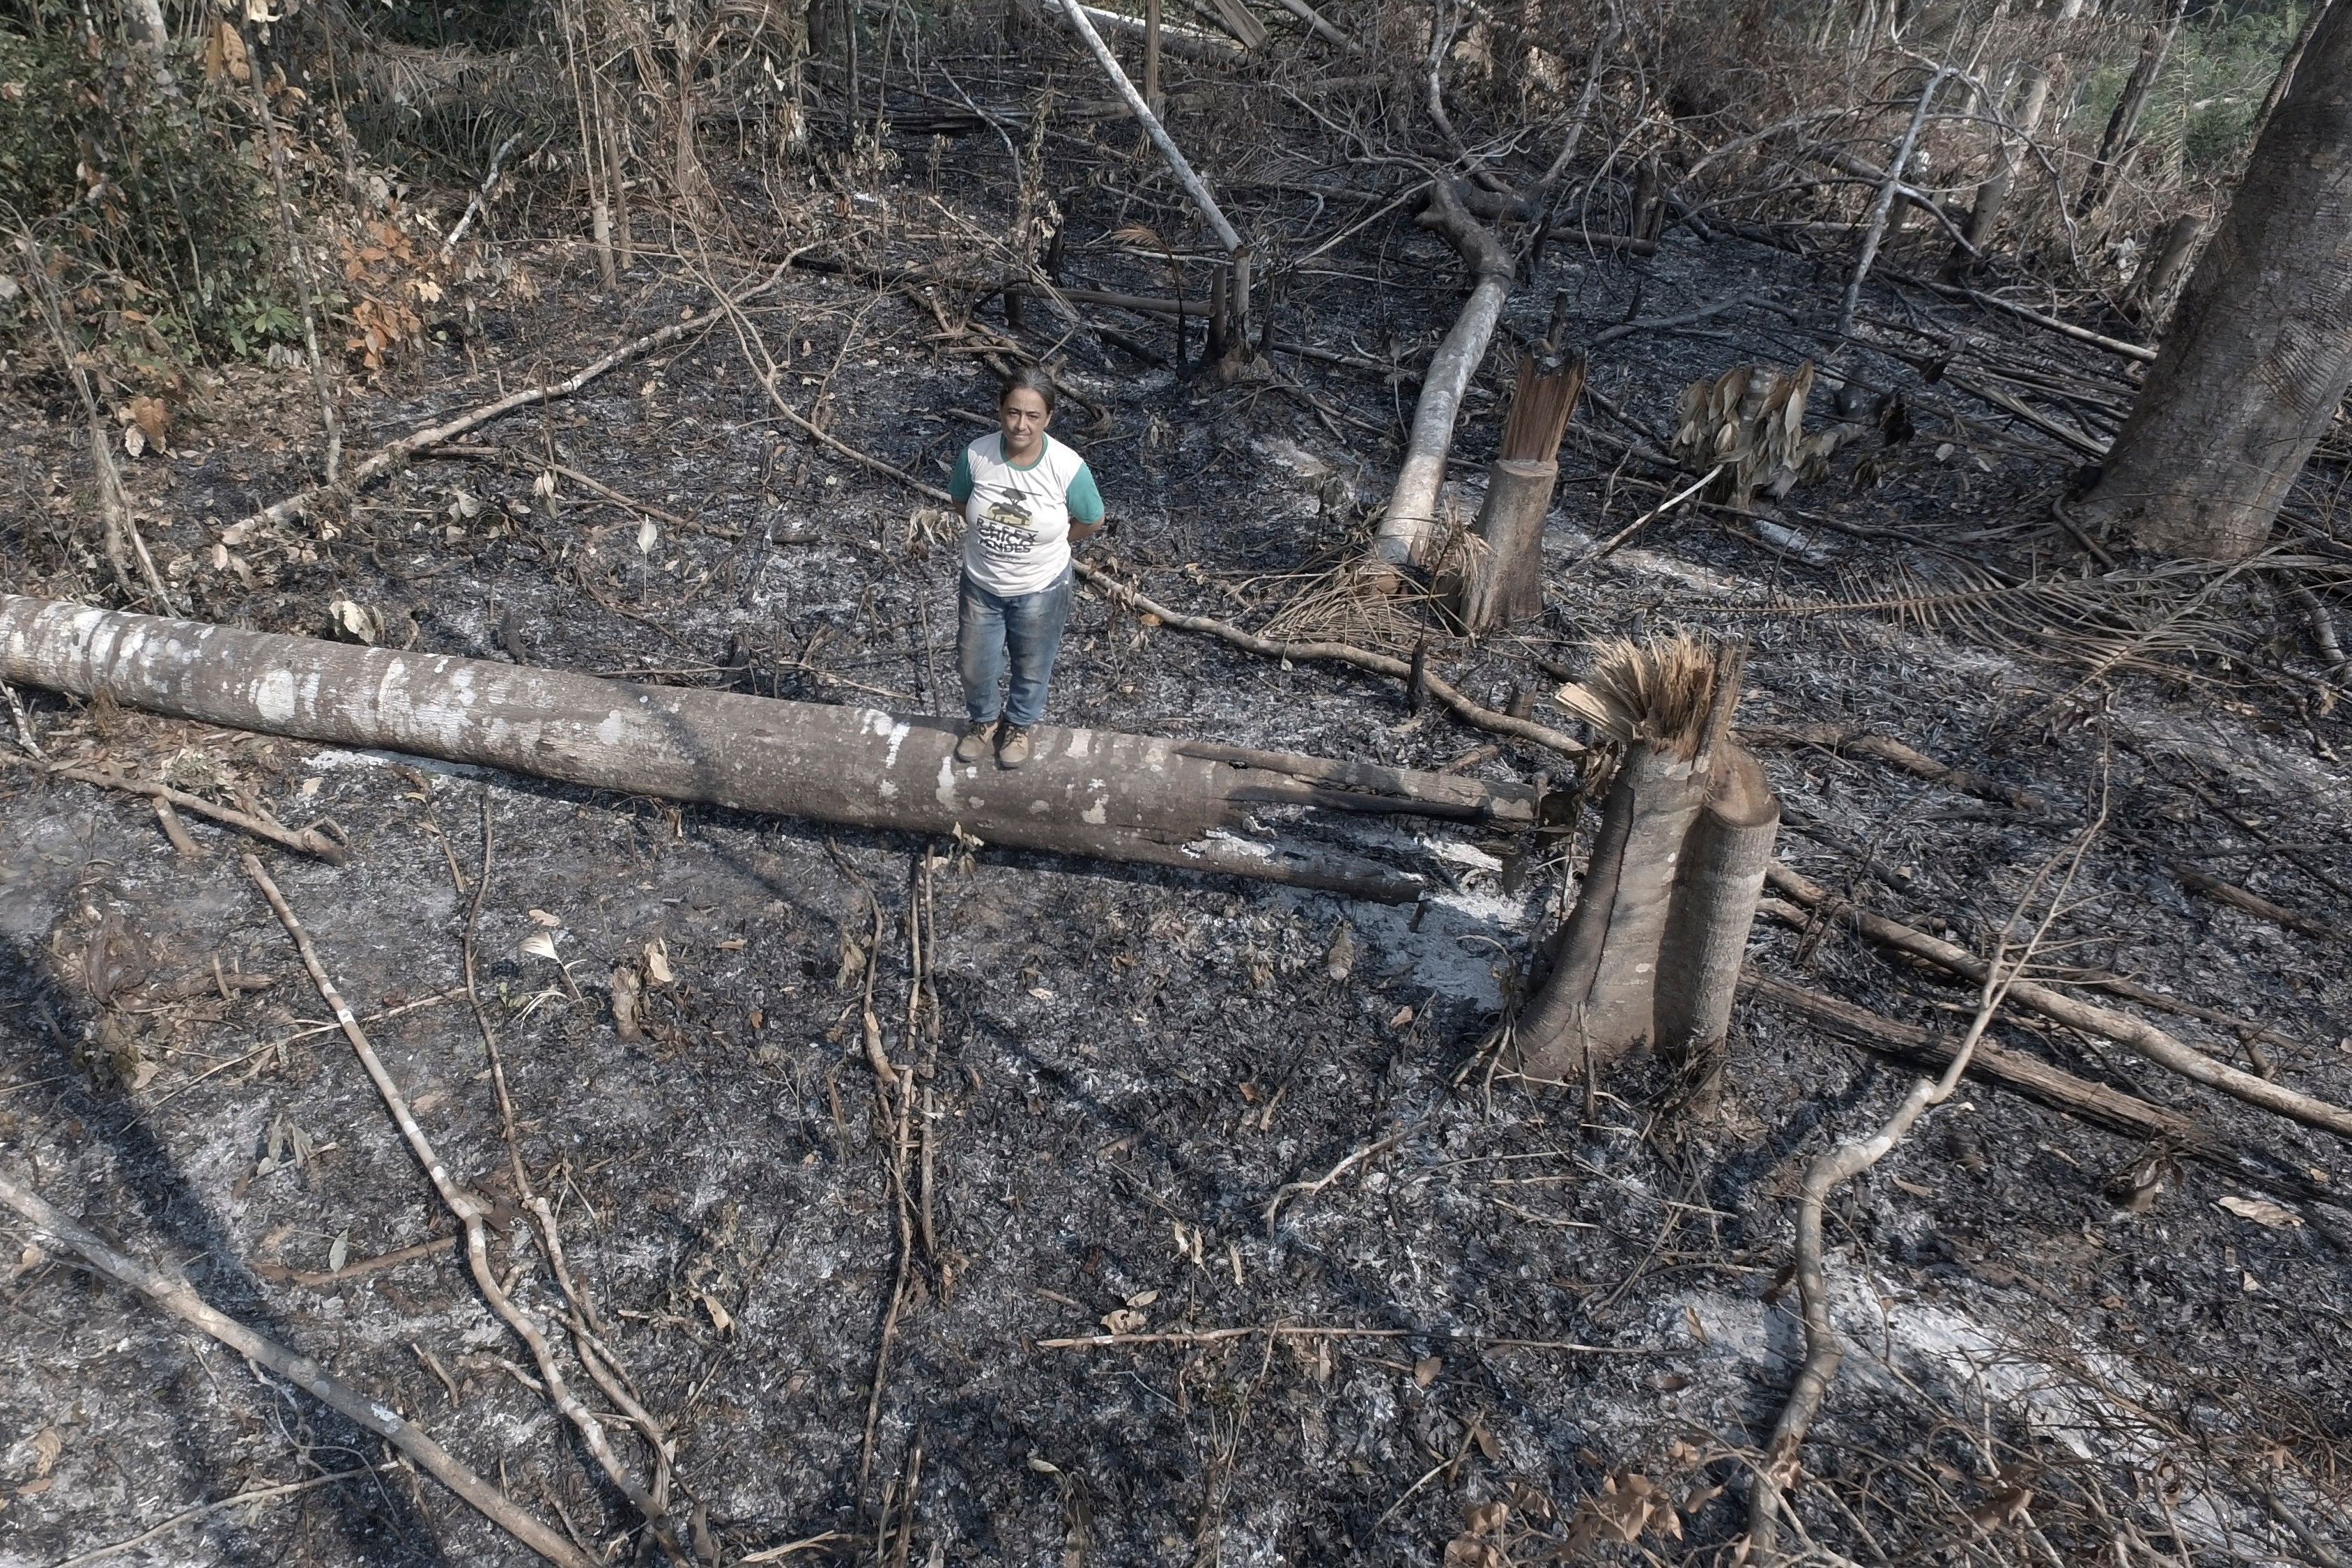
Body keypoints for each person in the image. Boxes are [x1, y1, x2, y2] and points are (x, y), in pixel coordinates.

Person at [948, 368, 1105, 769]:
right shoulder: (977, 455)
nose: (1021, 424)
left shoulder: (1067, 467)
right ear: (1000, 412)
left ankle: (1018, 725)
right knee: (974, 663)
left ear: (1048, 418)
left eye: (1032, 416)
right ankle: (983, 721)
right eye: (1013, 413)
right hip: (982, 583)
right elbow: (961, 501)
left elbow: (1092, 518)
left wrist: (1053, 542)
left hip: (1041, 587)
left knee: (1032, 664)